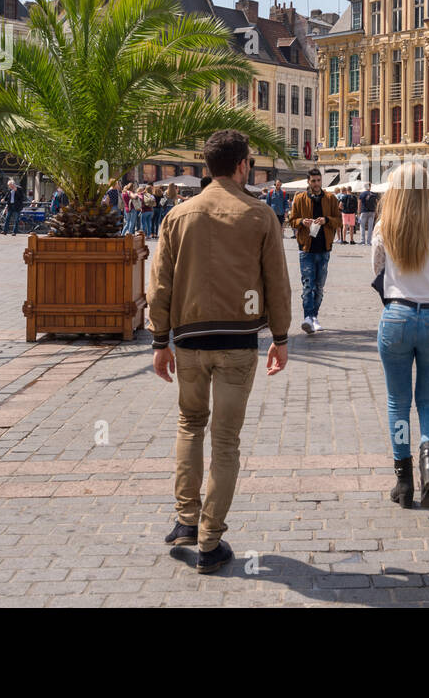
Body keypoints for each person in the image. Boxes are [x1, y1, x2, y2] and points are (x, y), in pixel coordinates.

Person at [149, 129, 290, 575]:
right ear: (242, 165)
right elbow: (277, 284)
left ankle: (185, 521)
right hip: (237, 341)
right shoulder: (260, 214)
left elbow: (160, 283)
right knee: (225, 440)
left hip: (188, 340)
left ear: (207, 166)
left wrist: (159, 341)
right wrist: (281, 338)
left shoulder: (178, 215)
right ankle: (210, 541)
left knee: (189, 424)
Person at [372, 162, 429, 510]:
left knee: (397, 403)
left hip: (398, 316)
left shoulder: (384, 226)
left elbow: (376, 271)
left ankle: (403, 481)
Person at [288, 167, 342, 334]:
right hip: (306, 248)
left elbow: (338, 221)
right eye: (313, 181)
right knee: (307, 285)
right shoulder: (300, 199)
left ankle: (314, 317)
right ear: (308, 182)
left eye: (318, 180)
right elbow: (291, 220)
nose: (316, 184)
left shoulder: (330, 198)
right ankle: (307, 318)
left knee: (319, 287)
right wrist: (302, 221)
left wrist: (326, 219)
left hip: (324, 248)